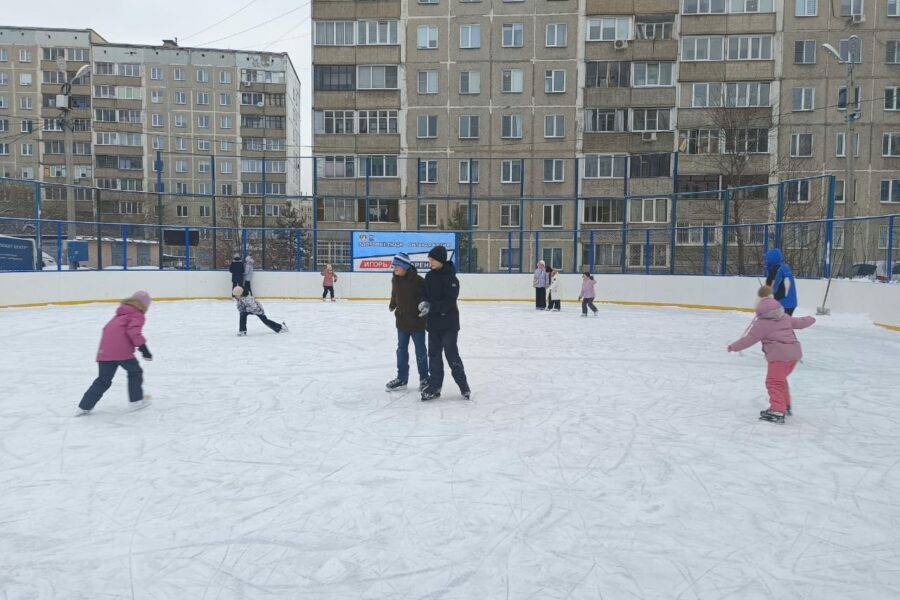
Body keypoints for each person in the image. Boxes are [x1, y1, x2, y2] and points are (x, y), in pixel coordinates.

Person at [727, 286, 816, 423]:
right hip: (794, 355)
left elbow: (748, 340)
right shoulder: (784, 316)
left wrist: (733, 347)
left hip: (779, 357)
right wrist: (811, 319)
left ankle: (777, 411)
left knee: (773, 382)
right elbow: (799, 323)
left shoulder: (761, 324)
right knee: (780, 380)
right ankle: (785, 406)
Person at [75, 291, 153, 416]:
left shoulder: (120, 313)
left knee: (103, 380)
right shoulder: (137, 314)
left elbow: (107, 329)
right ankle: (136, 401)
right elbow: (133, 332)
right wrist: (144, 350)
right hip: (121, 352)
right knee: (135, 372)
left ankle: (84, 407)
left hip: (104, 352)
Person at [419, 245, 470, 401]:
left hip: (449, 325)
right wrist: (423, 303)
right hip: (433, 324)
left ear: (441, 260)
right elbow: (424, 295)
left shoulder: (452, 280)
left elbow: (449, 302)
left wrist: (431, 307)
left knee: (451, 355)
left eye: (433, 260)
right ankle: (435, 387)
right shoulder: (429, 277)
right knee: (433, 356)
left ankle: (463, 386)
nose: (430, 262)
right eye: (429, 259)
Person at [385, 252, 429, 392]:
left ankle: (424, 378)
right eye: (394, 266)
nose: (394, 268)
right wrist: (393, 304)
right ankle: (402, 378)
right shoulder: (395, 280)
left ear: (405, 266)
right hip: (402, 322)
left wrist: (425, 304)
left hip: (417, 323)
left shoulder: (419, 281)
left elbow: (424, 297)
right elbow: (395, 294)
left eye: (397, 265)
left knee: (420, 351)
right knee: (401, 350)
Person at [764, 248, 797, 315]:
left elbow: (771, 287)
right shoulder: (785, 267)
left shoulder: (775, 270)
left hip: (782, 303)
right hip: (792, 302)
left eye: (767, 259)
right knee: (785, 322)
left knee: (777, 323)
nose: (766, 261)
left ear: (771, 259)